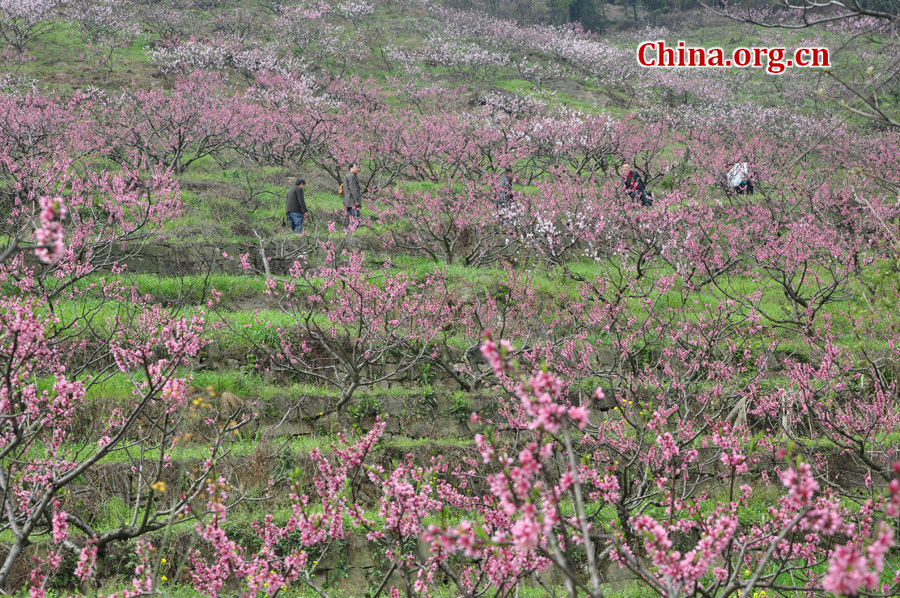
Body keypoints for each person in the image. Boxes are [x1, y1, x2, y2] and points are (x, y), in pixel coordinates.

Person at [343, 162, 362, 226]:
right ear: (351, 168)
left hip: (350, 201)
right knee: (355, 220)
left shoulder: (351, 176)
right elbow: (353, 189)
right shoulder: (351, 176)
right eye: (356, 167)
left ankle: (351, 234)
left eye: (358, 167)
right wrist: (356, 200)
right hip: (352, 201)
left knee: (355, 219)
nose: (357, 169)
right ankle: (350, 234)